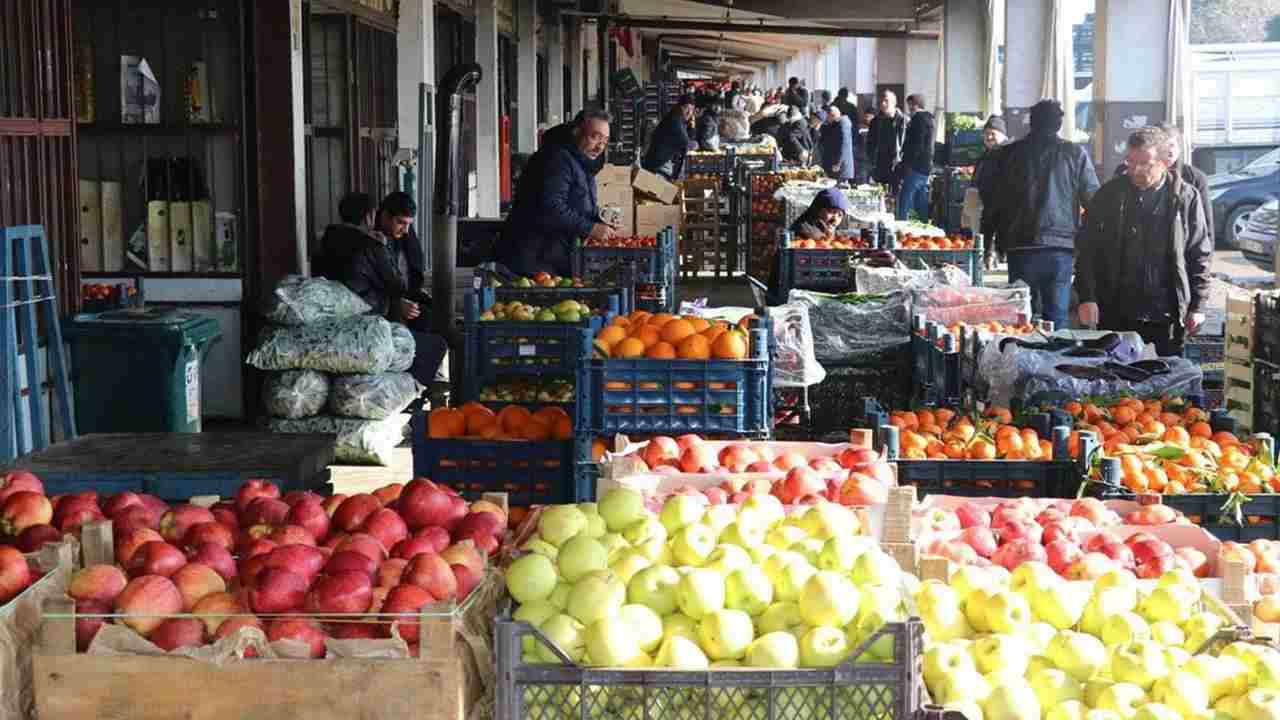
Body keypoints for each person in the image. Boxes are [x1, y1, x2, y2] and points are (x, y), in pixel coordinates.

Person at [1076, 127, 1212, 357]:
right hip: (1116, 310)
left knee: (1164, 384)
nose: (1135, 170)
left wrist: (1198, 305)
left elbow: (1199, 253)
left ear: (1164, 163)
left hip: (1165, 312)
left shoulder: (1186, 198)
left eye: (1145, 163)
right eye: (1130, 162)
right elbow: (1087, 250)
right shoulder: (1108, 195)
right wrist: (1087, 297)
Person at [318, 192, 449, 391]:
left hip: (344, 321)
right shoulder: (368, 245)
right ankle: (408, 397)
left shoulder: (331, 240)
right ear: (374, 216)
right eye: (400, 223)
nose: (405, 230)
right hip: (365, 325)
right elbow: (394, 286)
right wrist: (395, 305)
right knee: (435, 344)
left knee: (424, 319)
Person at [993, 99, 1100, 329]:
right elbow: (1094, 201)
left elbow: (996, 200)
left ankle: (1021, 360)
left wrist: (996, 240)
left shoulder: (1009, 154)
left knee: (1022, 317)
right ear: (1059, 123)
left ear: (1031, 123)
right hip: (1060, 247)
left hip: (1020, 245)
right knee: (1057, 318)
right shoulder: (1074, 153)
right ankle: (1053, 360)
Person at [497, 110, 616, 278]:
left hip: (551, 257)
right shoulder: (556, 160)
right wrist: (590, 228)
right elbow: (551, 208)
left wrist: (600, 219)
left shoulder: (580, 161)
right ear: (576, 131)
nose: (599, 147)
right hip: (534, 259)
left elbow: (575, 202)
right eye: (595, 137)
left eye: (604, 142)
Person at [1114, 123, 1213, 247]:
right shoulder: (1123, 176)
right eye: (1166, 145)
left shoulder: (1193, 181)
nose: (1170, 151)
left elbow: (1204, 233)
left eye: (1173, 145)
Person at [973, 115, 1010, 268]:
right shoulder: (986, 153)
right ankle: (988, 259)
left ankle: (998, 259)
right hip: (988, 203)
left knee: (1000, 235)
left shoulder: (1009, 152)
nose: (988, 137)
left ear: (1002, 135)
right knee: (986, 232)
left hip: (1005, 204)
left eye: (992, 134)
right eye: (986, 134)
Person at [897, 94, 936, 221]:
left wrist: (908, 163)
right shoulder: (930, 119)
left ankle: (901, 225)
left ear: (915, 104)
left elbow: (916, 144)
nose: (908, 108)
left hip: (915, 166)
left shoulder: (918, 119)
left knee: (905, 198)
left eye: (909, 105)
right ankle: (924, 224)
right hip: (925, 166)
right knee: (920, 198)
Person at [642, 94, 696, 181]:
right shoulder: (675, 121)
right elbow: (687, 143)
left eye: (692, 109)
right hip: (659, 169)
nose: (689, 112)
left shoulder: (677, 119)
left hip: (658, 166)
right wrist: (693, 132)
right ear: (679, 107)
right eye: (686, 108)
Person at [866, 90, 907, 191]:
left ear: (894, 103)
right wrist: (871, 159)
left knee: (896, 195)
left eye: (886, 101)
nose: (883, 104)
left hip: (897, 164)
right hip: (880, 164)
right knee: (881, 195)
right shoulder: (875, 121)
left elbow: (908, 144)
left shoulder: (903, 120)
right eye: (881, 101)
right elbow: (870, 143)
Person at [820, 105, 855, 182]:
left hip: (840, 167)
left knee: (840, 189)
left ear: (832, 115)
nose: (827, 119)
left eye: (827, 117)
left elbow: (843, 144)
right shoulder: (834, 124)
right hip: (835, 165)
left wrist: (838, 162)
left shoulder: (843, 123)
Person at [854, 109, 876, 185]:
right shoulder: (860, 128)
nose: (867, 118)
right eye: (865, 116)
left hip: (872, 159)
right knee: (862, 182)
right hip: (862, 159)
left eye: (869, 117)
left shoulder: (877, 127)